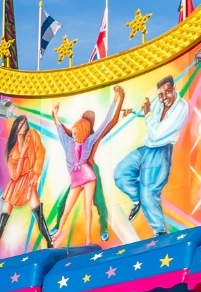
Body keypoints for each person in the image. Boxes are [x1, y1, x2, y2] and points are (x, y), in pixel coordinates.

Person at [116, 76, 190, 235]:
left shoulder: (181, 108)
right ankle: (138, 199)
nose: (164, 98)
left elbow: (156, 134)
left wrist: (148, 113)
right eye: (160, 95)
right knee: (120, 173)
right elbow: (146, 108)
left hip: (161, 152)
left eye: (167, 92)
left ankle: (160, 233)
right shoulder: (160, 101)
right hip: (146, 149)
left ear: (174, 88)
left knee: (149, 194)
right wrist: (132, 110)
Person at [51, 87, 124, 244]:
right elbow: (59, 128)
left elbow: (109, 122)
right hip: (76, 176)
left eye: (89, 123)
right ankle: (58, 227)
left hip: (90, 172)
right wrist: (54, 113)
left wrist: (118, 99)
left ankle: (102, 230)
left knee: (98, 202)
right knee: (63, 204)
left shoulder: (91, 139)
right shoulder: (72, 136)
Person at [0, 115, 50, 257]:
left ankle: (50, 242)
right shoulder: (12, 150)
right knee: (4, 218)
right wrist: (23, 152)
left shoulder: (32, 135)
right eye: (21, 124)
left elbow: (41, 152)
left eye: (25, 123)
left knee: (38, 213)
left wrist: (36, 174)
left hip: (29, 179)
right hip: (15, 185)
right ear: (16, 127)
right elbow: (14, 175)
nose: (24, 126)